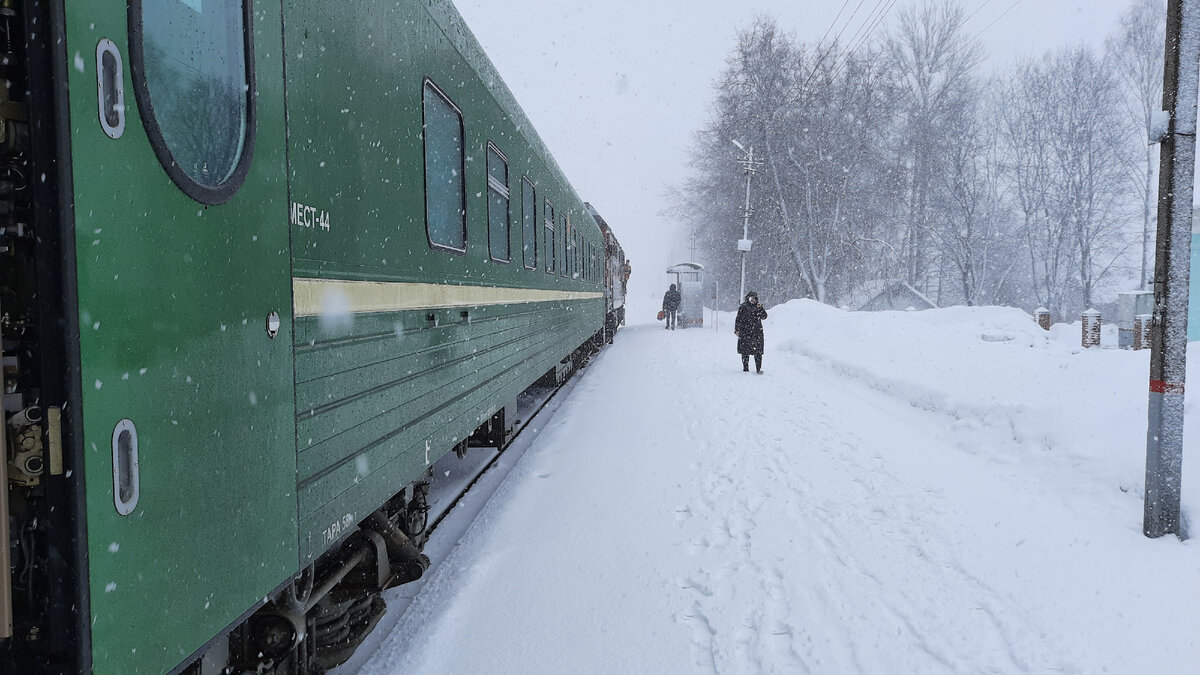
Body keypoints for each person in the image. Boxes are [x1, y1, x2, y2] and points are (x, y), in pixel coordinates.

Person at [734, 291, 768, 373]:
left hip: (757, 333)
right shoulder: (743, 307)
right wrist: (737, 329)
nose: (753, 300)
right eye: (751, 298)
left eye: (755, 298)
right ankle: (745, 368)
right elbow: (738, 319)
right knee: (745, 352)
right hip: (745, 332)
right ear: (748, 298)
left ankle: (758, 369)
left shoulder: (758, 307)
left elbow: (764, 316)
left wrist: (760, 308)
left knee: (758, 352)